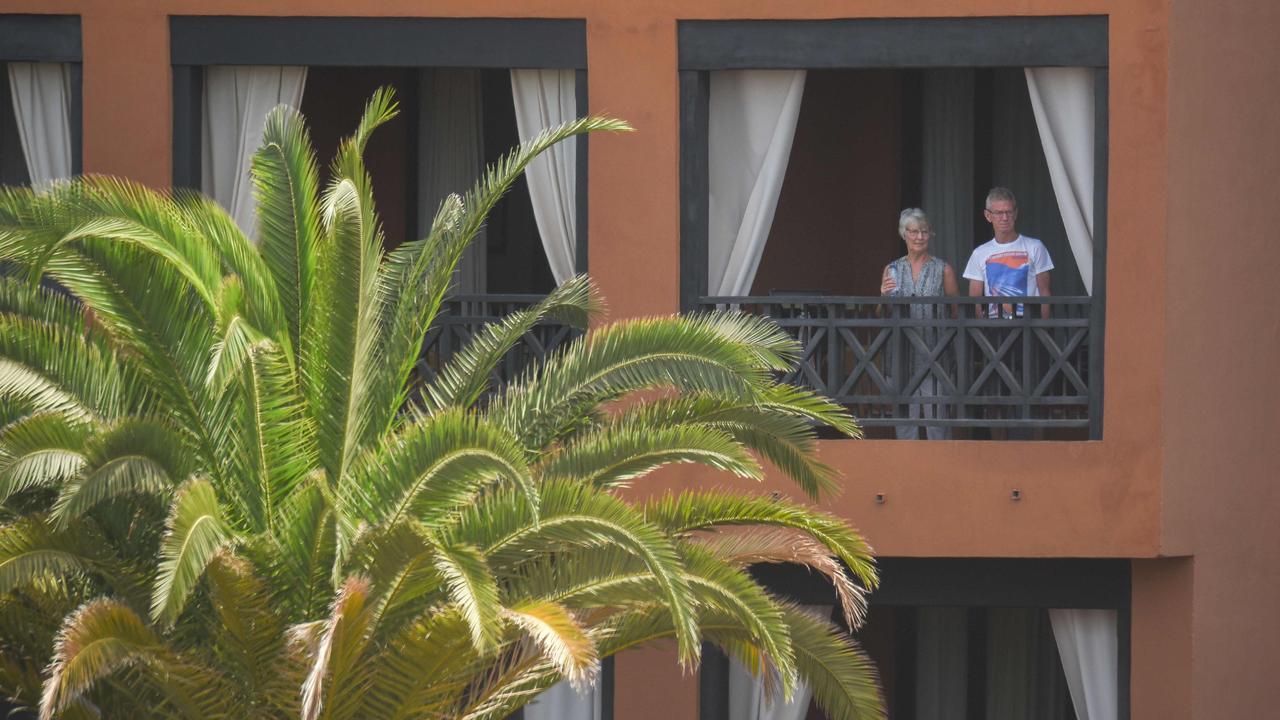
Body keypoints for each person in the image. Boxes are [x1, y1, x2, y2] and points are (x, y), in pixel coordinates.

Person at [880, 208, 958, 440]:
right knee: (904, 424)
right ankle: (906, 473)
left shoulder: (943, 269)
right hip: (901, 356)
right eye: (914, 231)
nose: (919, 237)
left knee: (938, 424)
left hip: (935, 355)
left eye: (924, 231)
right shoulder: (892, 269)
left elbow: (956, 312)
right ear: (904, 234)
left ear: (931, 234)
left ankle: (943, 473)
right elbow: (884, 314)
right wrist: (882, 297)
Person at [963, 187, 1054, 318]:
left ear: (1015, 214)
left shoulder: (1035, 247)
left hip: (1029, 323)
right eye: (999, 213)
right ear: (988, 216)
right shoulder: (979, 253)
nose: (1005, 218)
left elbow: (1045, 293)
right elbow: (974, 299)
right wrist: (981, 330)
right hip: (994, 325)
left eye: (1009, 212)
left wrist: (1043, 328)